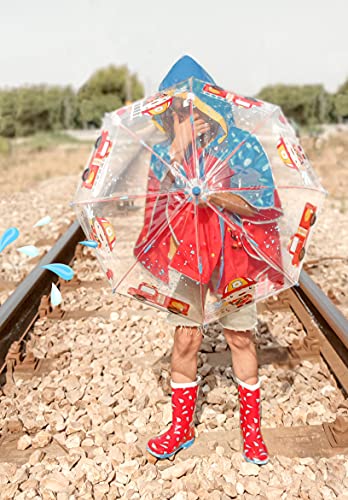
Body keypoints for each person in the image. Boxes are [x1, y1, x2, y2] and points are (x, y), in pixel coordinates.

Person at [134, 56, 284, 465]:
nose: (185, 116)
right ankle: (180, 428)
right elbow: (154, 205)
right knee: (185, 338)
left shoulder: (240, 145)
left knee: (240, 337)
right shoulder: (165, 153)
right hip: (187, 257)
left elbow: (260, 203)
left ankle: (250, 431)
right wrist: (179, 152)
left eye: (191, 106)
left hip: (234, 257)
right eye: (177, 110)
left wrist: (219, 197)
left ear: (208, 105)